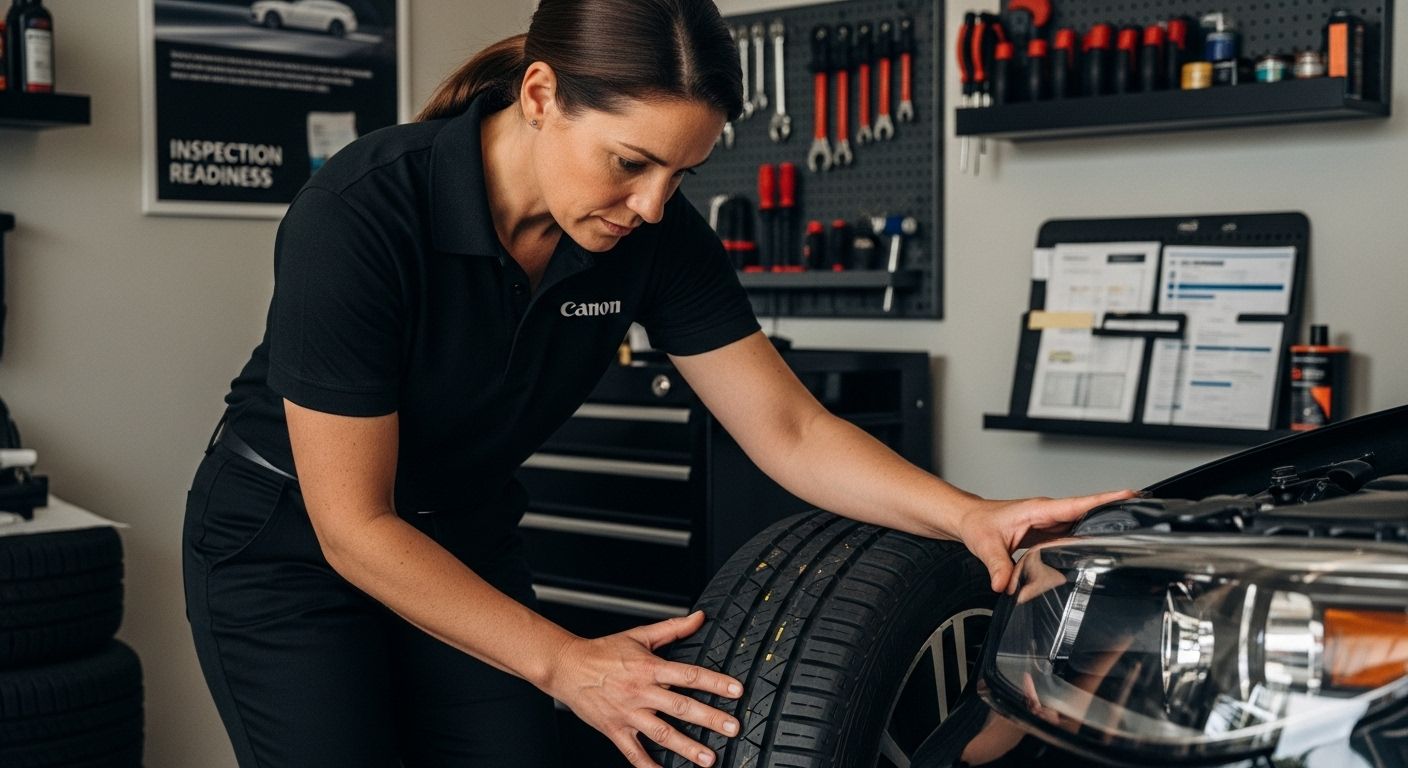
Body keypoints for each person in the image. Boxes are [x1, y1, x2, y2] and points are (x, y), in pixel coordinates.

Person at [182, 1, 1132, 766]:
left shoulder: (653, 234)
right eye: (630, 163)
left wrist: (966, 515)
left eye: (681, 173)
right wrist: (563, 662)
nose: (652, 206)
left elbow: (787, 430)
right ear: (542, 94)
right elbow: (355, 526)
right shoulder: (363, 210)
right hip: (289, 548)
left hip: (461, 534)